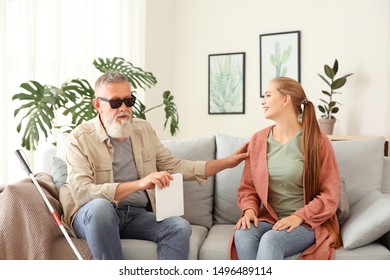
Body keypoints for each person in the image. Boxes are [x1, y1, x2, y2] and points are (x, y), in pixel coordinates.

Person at [59, 71, 248, 260]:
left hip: (135, 216)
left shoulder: (143, 130)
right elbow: (82, 193)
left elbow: (176, 166)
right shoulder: (79, 138)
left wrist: (227, 162)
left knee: (179, 227)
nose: (124, 108)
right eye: (116, 103)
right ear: (98, 105)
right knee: (101, 207)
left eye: (129, 101)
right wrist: (140, 184)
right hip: (95, 216)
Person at [231, 77, 341, 260]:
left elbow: (330, 195)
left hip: (308, 223)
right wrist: (249, 210)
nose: (262, 101)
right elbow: (248, 187)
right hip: (271, 219)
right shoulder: (258, 140)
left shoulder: (317, 141)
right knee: (243, 233)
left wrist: (299, 216)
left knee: (271, 240)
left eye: (267, 95)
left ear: (285, 99)